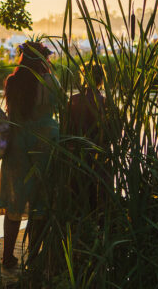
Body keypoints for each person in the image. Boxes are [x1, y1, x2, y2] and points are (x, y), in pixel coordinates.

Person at [0, 41, 59, 268]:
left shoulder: (13, 82)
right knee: (40, 201)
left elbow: (12, 113)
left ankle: (7, 256)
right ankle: (34, 256)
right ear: (43, 60)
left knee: (15, 200)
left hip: (17, 146)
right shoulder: (52, 82)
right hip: (45, 143)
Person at [67, 63, 109, 213]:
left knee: (78, 201)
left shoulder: (73, 101)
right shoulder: (105, 103)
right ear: (101, 80)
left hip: (76, 159)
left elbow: (66, 130)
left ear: (83, 77)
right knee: (99, 201)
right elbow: (114, 134)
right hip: (100, 160)